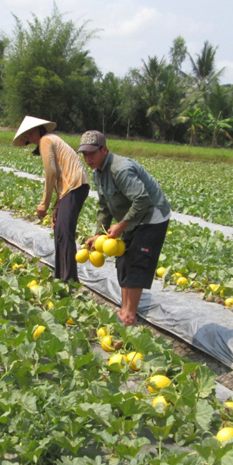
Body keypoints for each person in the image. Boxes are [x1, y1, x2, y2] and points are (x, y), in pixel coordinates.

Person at [79, 130, 171, 326]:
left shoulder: (120, 169)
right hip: (130, 218)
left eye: (91, 153)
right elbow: (104, 206)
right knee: (123, 261)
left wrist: (121, 226)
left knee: (137, 261)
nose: (88, 158)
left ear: (104, 149)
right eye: (84, 154)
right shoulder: (98, 173)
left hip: (151, 216)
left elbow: (142, 200)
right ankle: (124, 311)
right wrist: (98, 235)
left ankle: (129, 317)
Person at [13, 116, 90, 283]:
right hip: (73, 187)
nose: (30, 138)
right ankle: (61, 277)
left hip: (75, 186)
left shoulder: (46, 140)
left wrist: (44, 204)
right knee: (60, 232)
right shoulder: (52, 139)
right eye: (27, 136)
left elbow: (51, 173)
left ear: (40, 130)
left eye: (31, 133)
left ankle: (69, 281)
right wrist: (56, 207)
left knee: (64, 234)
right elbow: (61, 181)